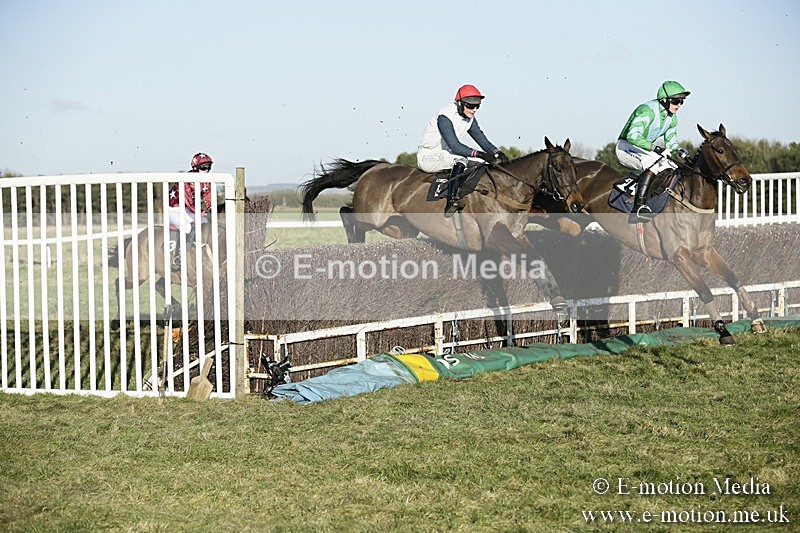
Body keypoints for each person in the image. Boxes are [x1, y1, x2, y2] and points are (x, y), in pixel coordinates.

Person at [417, 84, 508, 217]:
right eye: (471, 106)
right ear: (460, 103)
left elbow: (482, 140)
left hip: (446, 155)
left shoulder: (469, 118)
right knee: (461, 159)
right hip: (428, 156)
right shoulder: (444, 116)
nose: (475, 109)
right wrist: (482, 154)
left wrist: (497, 152)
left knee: (480, 163)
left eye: (478, 106)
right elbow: (455, 146)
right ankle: (451, 201)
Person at [617, 80, 691, 223]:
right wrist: (656, 148)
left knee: (671, 167)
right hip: (625, 147)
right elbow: (633, 136)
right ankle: (638, 207)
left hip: (644, 149)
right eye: (676, 101)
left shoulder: (673, 118)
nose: (679, 105)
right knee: (652, 164)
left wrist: (679, 151)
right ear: (664, 100)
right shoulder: (647, 110)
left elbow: (671, 143)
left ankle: (657, 203)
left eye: (682, 101)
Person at [167, 152, 214, 271]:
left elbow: (208, 198)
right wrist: (200, 212)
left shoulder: (206, 181)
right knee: (187, 228)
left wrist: (213, 211)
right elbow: (188, 201)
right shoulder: (186, 180)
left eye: (209, 167)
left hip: (186, 209)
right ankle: (178, 257)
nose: (207, 170)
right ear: (195, 168)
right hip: (174, 209)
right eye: (204, 167)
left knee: (205, 222)